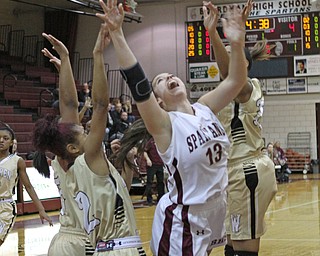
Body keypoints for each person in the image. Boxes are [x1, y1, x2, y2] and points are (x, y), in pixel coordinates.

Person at [97, 0, 248, 254]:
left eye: (171, 75)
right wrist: (117, 33)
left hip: (215, 209)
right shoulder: (165, 125)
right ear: (158, 100)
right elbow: (139, 87)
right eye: (160, 80)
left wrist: (236, 41)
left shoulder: (205, 108)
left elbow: (236, 79)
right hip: (183, 219)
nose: (169, 78)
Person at [33, 24, 145, 255]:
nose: (87, 129)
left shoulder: (61, 161)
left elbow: (69, 108)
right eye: (83, 132)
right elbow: (100, 106)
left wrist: (65, 61)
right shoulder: (89, 157)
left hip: (77, 241)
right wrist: (97, 55)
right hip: (101, 244)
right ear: (73, 146)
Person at [204, 1, 278, 255]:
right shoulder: (222, 93)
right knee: (231, 245)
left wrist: (215, 34)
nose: (221, 61)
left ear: (242, 67)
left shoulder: (247, 87)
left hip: (247, 169)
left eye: (230, 54)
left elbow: (228, 74)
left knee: (244, 248)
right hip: (233, 171)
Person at [0, 122, 53, 247]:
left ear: (12, 142)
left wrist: (41, 210)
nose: (1, 140)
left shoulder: (17, 161)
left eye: (5, 138)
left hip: (5, 207)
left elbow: (28, 186)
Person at [143, 137, 165, 206]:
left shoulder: (162, 140)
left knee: (161, 182)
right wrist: (148, 159)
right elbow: (145, 151)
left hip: (160, 164)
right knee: (149, 182)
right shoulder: (151, 141)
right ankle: (149, 199)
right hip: (152, 164)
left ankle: (161, 199)